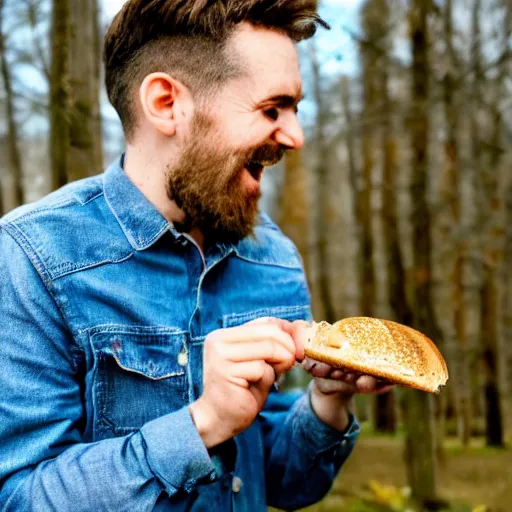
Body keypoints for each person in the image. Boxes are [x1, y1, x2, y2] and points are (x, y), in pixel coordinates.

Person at [0, 1, 392, 510]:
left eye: (295, 109)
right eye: (273, 109)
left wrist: (327, 402)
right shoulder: (35, 257)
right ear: (166, 103)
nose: (295, 136)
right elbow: (19, 496)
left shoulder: (272, 260)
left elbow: (282, 482)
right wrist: (200, 424)